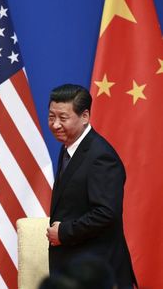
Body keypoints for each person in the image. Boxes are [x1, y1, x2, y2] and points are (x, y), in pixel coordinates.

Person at [46, 84, 135, 289]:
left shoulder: (101, 156)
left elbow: (106, 212)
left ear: (85, 116)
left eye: (63, 118)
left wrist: (64, 232)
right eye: (51, 117)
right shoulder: (69, 147)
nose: (56, 125)